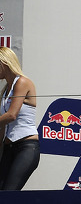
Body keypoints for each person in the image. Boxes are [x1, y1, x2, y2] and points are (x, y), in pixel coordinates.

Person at [0, 47, 40, 190]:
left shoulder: (22, 82)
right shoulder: (5, 90)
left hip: (26, 147)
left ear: (4, 62)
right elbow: (3, 125)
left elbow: (11, 115)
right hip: (9, 148)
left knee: (9, 192)